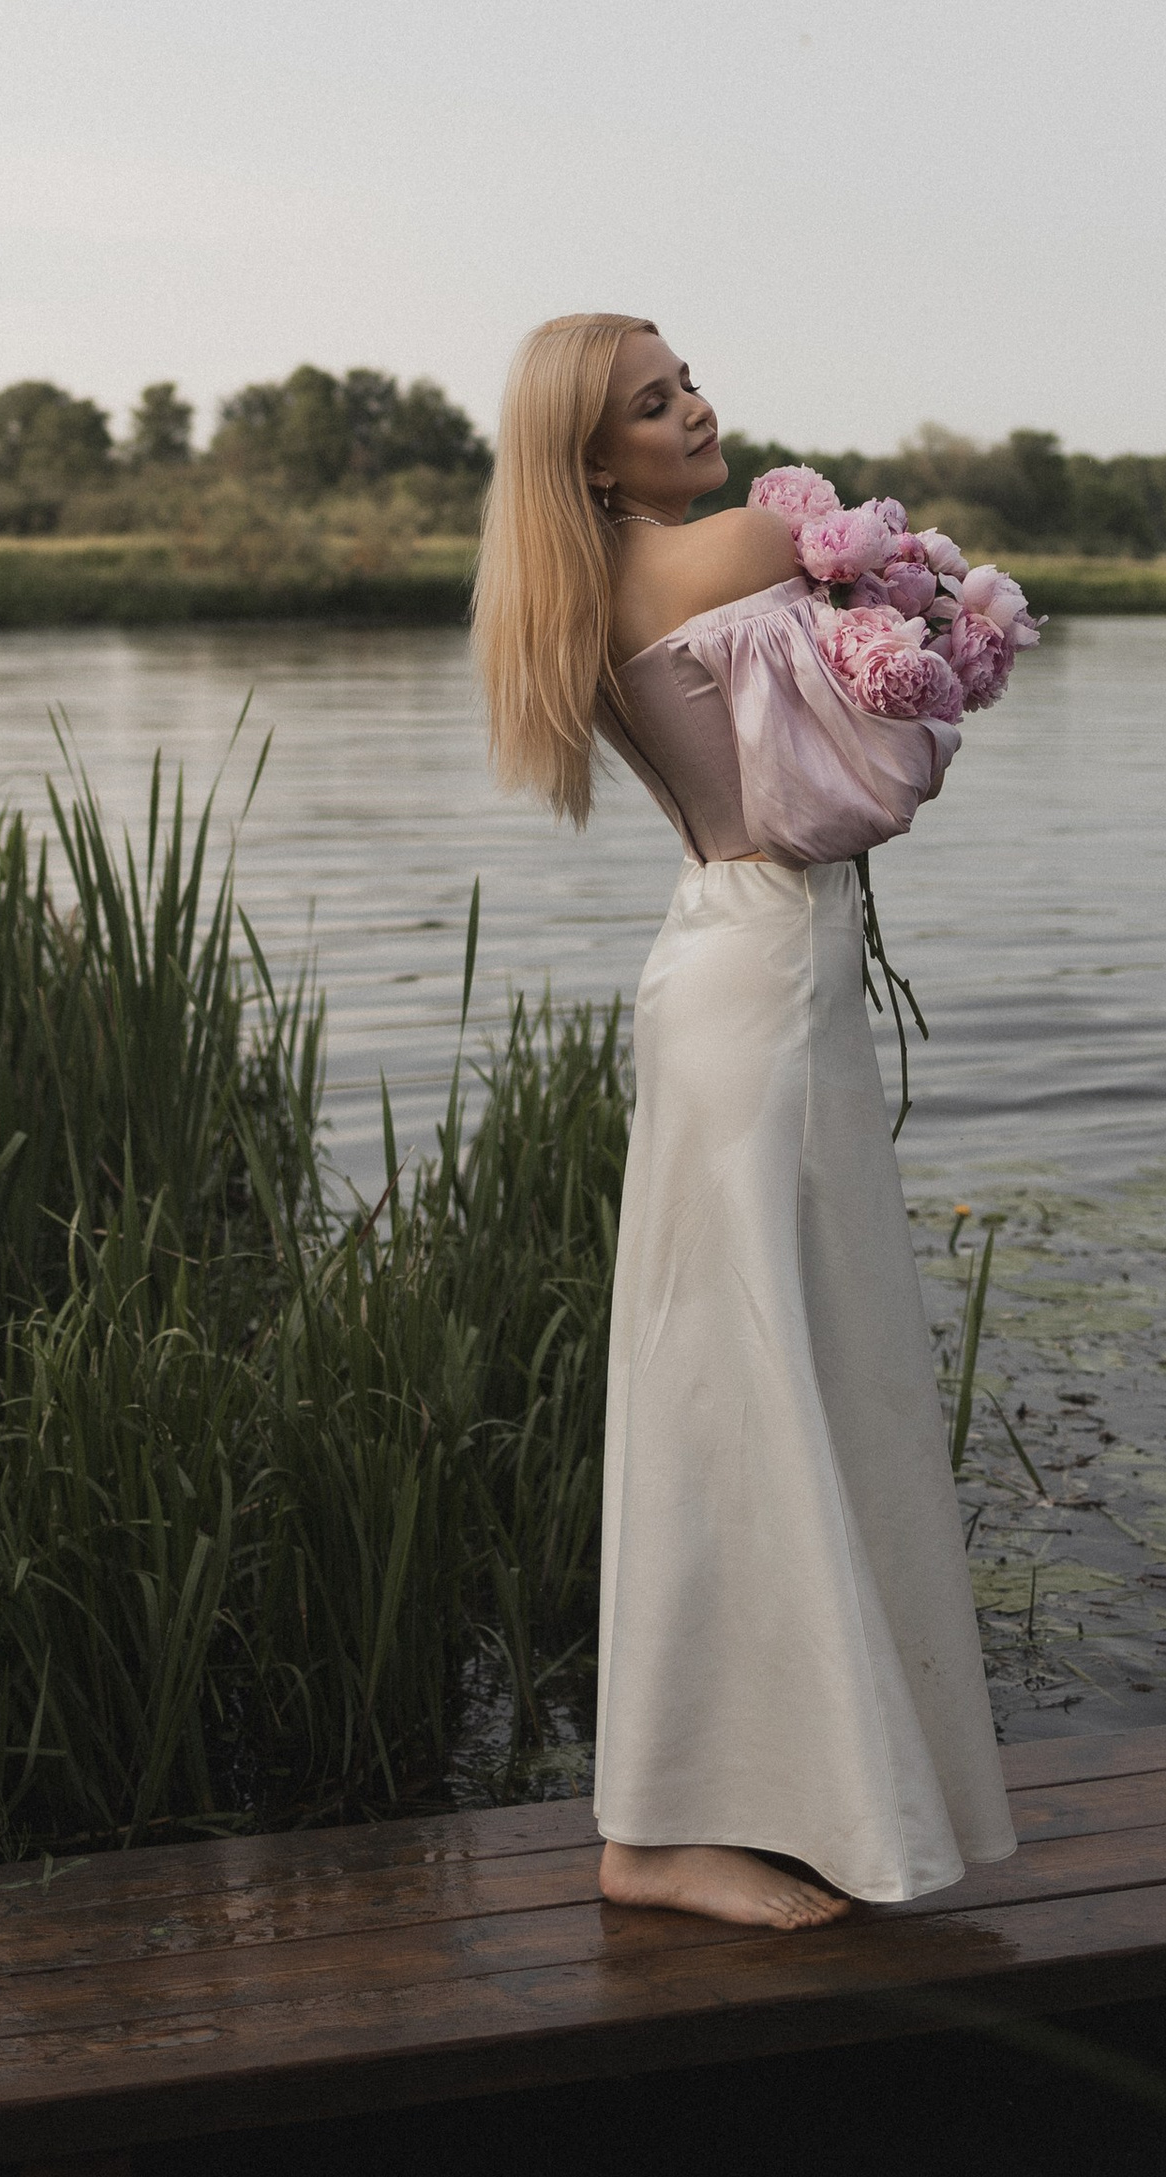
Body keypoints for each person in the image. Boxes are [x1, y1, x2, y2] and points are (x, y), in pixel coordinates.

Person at [473, 311, 1015, 1930]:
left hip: (745, 968)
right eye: (654, 402)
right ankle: (662, 1829)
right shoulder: (736, 548)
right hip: (760, 991)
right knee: (762, 1387)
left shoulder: (603, 586)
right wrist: (907, 595)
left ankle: (769, 1793)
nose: (696, 406)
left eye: (688, 377)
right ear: (592, 456)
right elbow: (864, 582)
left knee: (768, 1379)